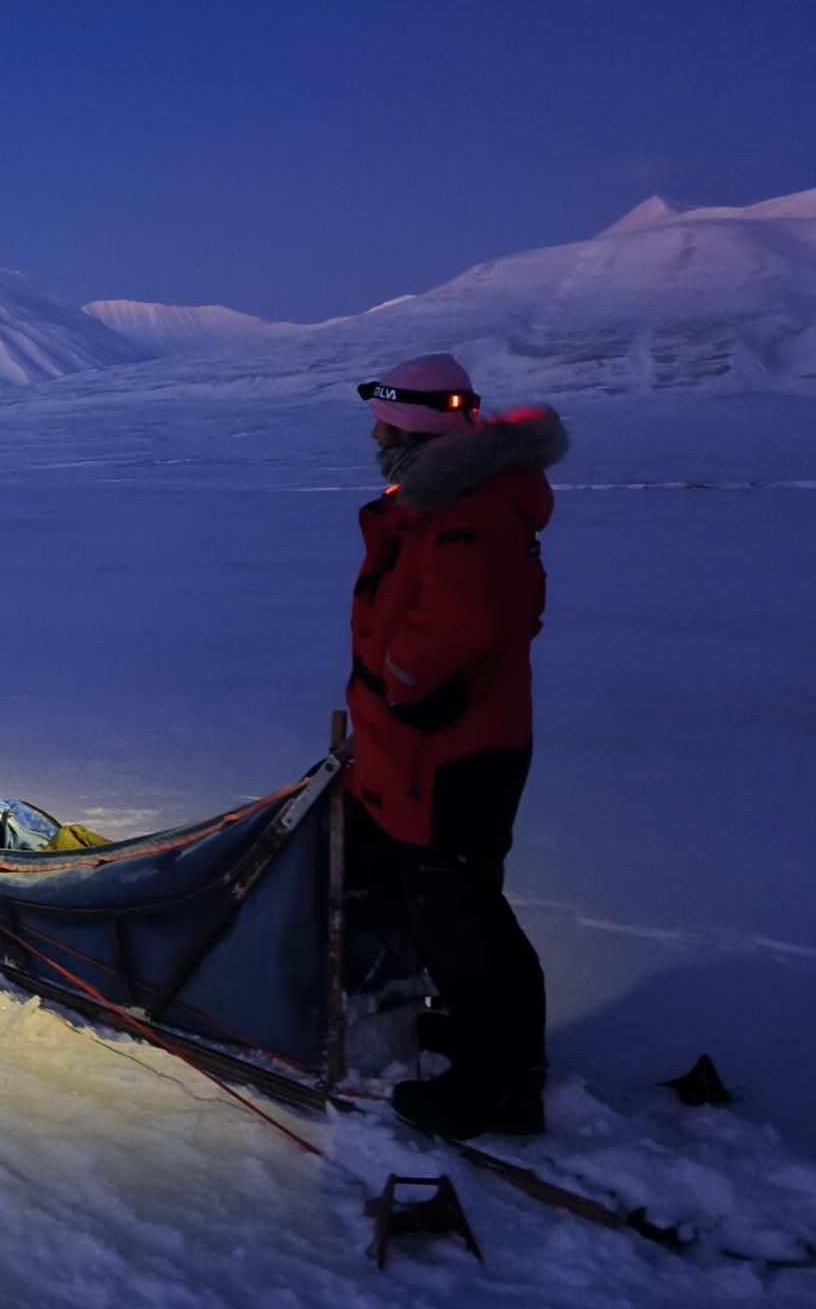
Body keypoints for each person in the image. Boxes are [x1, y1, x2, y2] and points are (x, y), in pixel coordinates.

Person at [342, 353, 568, 1141]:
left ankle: (499, 1087)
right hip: (432, 750)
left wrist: (401, 682)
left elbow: (461, 623)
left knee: (457, 911)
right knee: (451, 903)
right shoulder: (449, 501)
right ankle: (493, 1044)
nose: (374, 436)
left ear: (414, 430)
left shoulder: (463, 511)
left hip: (450, 752)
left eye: (385, 424)